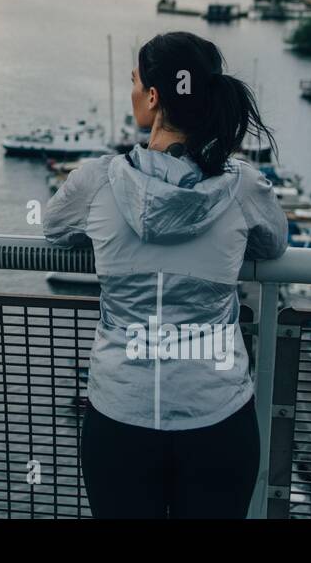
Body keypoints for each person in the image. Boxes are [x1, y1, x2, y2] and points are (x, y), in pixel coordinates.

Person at [43, 31, 288, 518]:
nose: (133, 90)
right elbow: (273, 244)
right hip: (216, 414)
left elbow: (55, 228)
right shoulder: (242, 188)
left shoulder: (97, 181)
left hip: (120, 413)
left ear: (153, 98)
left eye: (135, 81)